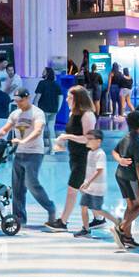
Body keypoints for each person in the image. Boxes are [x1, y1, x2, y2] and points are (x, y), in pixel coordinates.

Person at [0, 88, 57, 229]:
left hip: (34, 153)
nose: (18, 104)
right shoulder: (15, 114)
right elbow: (7, 128)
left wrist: (24, 140)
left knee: (31, 183)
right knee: (17, 187)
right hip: (19, 154)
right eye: (16, 101)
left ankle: (50, 208)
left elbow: (38, 130)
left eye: (20, 101)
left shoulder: (37, 113)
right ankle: (19, 218)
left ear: (27, 98)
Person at [47, 85, 97, 231]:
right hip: (74, 156)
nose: (67, 99)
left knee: (72, 189)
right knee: (83, 188)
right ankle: (99, 218)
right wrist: (63, 141)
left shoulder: (87, 115)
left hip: (84, 157)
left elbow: (88, 139)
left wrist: (66, 136)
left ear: (78, 98)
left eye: (70, 96)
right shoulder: (72, 114)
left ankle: (63, 221)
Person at [73, 129, 121, 238]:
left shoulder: (100, 154)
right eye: (87, 139)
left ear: (98, 141)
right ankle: (85, 229)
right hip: (89, 187)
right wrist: (85, 183)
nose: (87, 141)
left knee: (97, 209)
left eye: (90, 139)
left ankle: (116, 221)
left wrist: (88, 183)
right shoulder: (90, 153)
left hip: (97, 188)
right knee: (84, 207)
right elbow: (89, 171)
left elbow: (99, 171)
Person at [111, 110, 139, 248]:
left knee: (131, 206)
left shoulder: (126, 137)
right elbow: (138, 166)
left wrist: (119, 159)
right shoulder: (138, 141)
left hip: (120, 175)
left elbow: (114, 151)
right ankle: (121, 228)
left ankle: (127, 237)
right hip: (131, 177)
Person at [34, 66, 62, 152]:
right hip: (53, 110)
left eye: (44, 71)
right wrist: (58, 108)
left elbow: (37, 98)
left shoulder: (42, 83)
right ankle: (52, 150)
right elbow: (60, 97)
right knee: (51, 128)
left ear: (47, 73)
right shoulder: (56, 84)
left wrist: (34, 108)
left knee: (40, 129)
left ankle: (40, 149)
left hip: (43, 109)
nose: (42, 72)